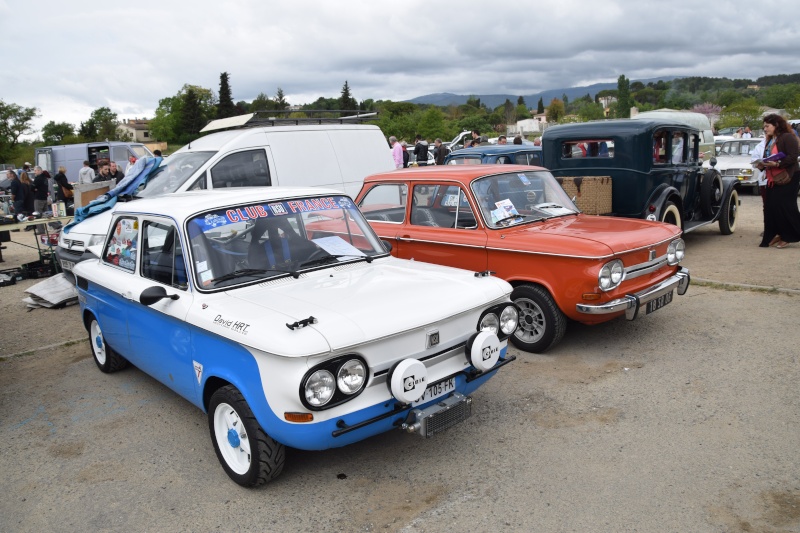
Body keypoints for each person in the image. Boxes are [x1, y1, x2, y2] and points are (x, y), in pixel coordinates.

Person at [758, 114, 800, 248]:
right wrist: (762, 164)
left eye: (767, 126)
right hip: (773, 178)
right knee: (772, 207)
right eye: (764, 126)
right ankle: (777, 233)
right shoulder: (770, 139)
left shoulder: (787, 137)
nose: (765, 129)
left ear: (776, 125)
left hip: (788, 177)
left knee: (786, 206)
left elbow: (793, 156)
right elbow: (768, 157)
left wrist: (777, 164)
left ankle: (789, 235)